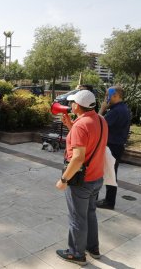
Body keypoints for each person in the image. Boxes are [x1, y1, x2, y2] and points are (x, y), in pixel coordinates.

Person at [56, 90, 108, 266]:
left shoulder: (81, 125)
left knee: (77, 218)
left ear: (77, 106)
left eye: (72, 103)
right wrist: (72, 125)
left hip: (81, 181)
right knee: (90, 214)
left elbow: (78, 158)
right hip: (96, 178)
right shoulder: (101, 120)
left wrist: (64, 179)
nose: (70, 105)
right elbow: (91, 140)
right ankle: (93, 248)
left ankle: (76, 253)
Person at [96, 86, 131, 210]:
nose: (106, 98)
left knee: (109, 173)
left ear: (115, 96)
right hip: (116, 145)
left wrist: (102, 109)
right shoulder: (121, 108)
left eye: (107, 95)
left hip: (112, 146)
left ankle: (109, 202)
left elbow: (98, 125)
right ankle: (109, 200)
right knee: (110, 172)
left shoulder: (116, 111)